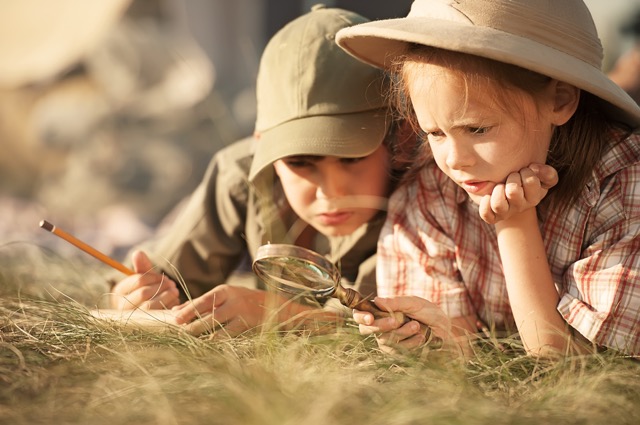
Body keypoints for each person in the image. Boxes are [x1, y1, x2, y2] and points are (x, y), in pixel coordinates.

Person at [335, 0, 640, 357]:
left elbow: (573, 369)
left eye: (477, 128)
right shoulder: (431, 188)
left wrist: (514, 222)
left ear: (559, 100)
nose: (454, 159)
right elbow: (470, 364)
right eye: (434, 132)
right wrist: (436, 338)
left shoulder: (622, 182)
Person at [108, 5, 414, 336]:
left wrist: (279, 315)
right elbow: (156, 279)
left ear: (399, 136)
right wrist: (131, 296)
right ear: (262, 145)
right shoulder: (241, 175)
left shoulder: (424, 195)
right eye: (299, 163)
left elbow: (400, 327)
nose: (332, 190)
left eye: (353, 158)